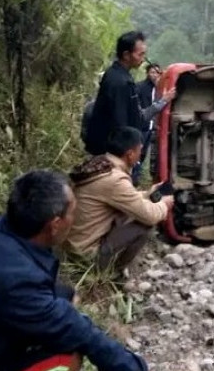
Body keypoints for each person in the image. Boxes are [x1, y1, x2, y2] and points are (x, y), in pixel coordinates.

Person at [0, 170, 171, 371]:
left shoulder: (4, 231)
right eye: (73, 212)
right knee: (66, 358)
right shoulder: (15, 280)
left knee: (66, 298)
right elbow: (82, 334)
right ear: (55, 225)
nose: (76, 217)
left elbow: (49, 301)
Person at [66, 127, 175, 271]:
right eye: (139, 150)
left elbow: (123, 198)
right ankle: (112, 272)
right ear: (129, 154)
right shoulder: (115, 179)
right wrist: (164, 205)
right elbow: (150, 216)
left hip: (73, 246)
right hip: (86, 256)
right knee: (144, 224)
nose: (140, 154)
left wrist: (148, 194)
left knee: (131, 213)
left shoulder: (100, 164)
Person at [83, 31, 174, 158]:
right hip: (109, 153)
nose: (143, 59)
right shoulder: (120, 82)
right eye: (140, 54)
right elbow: (121, 123)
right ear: (126, 55)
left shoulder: (116, 74)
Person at [134, 63, 170, 184]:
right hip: (141, 125)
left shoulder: (161, 90)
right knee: (137, 152)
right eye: (152, 72)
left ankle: (143, 177)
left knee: (146, 153)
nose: (155, 75)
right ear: (147, 73)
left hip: (153, 127)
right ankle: (134, 178)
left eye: (157, 73)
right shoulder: (140, 87)